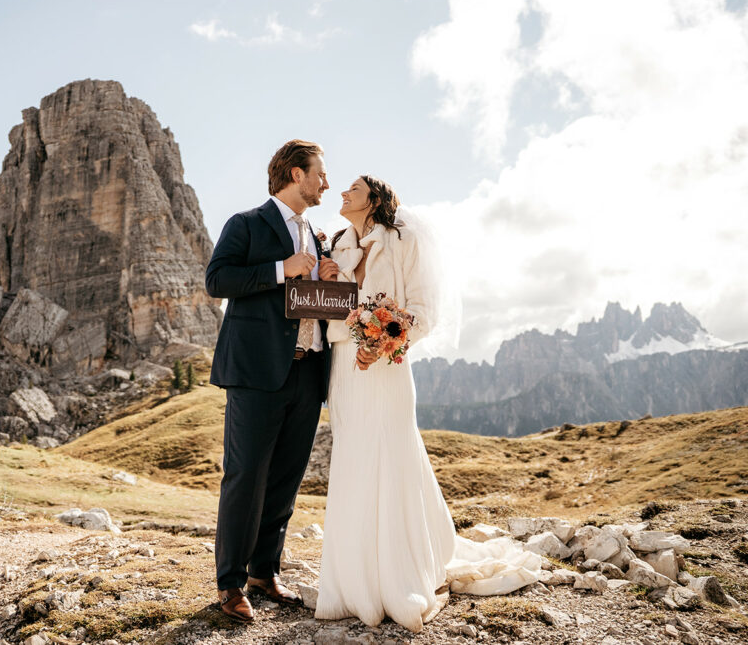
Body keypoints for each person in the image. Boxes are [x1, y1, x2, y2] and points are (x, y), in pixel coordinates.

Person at [316, 175, 543, 631]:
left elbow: (423, 309)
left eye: (353, 189)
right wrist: (328, 279)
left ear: (375, 199)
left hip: (387, 368)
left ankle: (399, 575)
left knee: (391, 457)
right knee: (354, 462)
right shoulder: (338, 243)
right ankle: (351, 581)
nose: (342, 193)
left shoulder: (405, 240)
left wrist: (382, 341)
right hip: (344, 366)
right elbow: (332, 306)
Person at [206, 139, 340, 622]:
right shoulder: (245, 224)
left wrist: (325, 278)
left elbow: (318, 304)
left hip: (307, 370)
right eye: (320, 174)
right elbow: (217, 281)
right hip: (257, 373)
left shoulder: (319, 236)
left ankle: (266, 571)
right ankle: (231, 584)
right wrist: (281, 269)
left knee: (285, 478)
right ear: (295, 174)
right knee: (246, 477)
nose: (326, 182)